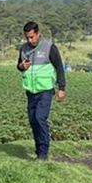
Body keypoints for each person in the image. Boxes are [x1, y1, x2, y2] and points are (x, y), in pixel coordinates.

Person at [17, 21, 67, 160]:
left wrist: (61, 88)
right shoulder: (23, 49)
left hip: (45, 90)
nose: (29, 40)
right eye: (27, 37)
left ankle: (43, 153)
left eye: (32, 37)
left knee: (40, 118)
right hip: (30, 91)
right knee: (33, 120)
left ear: (38, 34)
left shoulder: (49, 47)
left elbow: (59, 68)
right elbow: (19, 66)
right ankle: (39, 151)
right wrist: (22, 66)